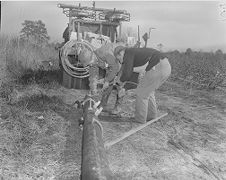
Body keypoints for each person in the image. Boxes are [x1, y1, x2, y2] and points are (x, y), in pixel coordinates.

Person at [114, 46, 171, 124]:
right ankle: (151, 116)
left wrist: (120, 83)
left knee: (141, 93)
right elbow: (132, 74)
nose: (120, 61)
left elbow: (127, 74)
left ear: (120, 53)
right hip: (166, 66)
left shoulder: (128, 53)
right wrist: (125, 88)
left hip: (157, 67)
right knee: (148, 92)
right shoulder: (134, 53)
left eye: (119, 59)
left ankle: (140, 119)